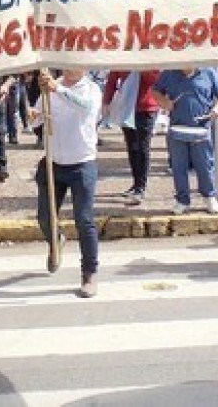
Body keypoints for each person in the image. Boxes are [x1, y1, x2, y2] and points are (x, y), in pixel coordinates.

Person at [34, 67, 102, 298]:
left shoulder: (91, 89)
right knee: (44, 217)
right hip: (54, 161)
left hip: (81, 163)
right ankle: (57, 238)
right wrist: (35, 116)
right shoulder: (49, 87)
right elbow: (35, 119)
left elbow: (85, 107)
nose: (71, 69)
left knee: (84, 220)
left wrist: (58, 89)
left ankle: (89, 273)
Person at [151, 67, 218, 215]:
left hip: (201, 128)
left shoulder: (208, 73)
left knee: (205, 165)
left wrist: (217, 108)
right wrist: (164, 102)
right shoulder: (168, 73)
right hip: (177, 127)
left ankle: (209, 197)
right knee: (179, 167)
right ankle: (182, 200)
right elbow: (155, 91)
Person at [102, 69, 160, 204]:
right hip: (127, 106)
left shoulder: (149, 57)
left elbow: (155, 80)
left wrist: (141, 67)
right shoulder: (123, 56)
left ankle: (141, 187)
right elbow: (112, 78)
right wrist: (106, 101)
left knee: (143, 147)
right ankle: (136, 183)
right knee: (132, 147)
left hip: (146, 108)